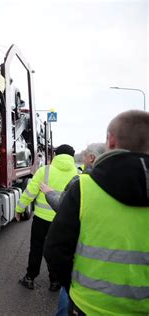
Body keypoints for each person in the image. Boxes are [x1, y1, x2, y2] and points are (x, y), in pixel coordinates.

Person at [44, 110, 149, 315]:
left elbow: (55, 250)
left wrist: (74, 289)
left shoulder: (84, 187)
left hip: (89, 306)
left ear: (110, 140)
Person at [40, 143, 106, 316]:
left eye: (84, 154)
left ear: (92, 158)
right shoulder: (130, 183)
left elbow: (55, 248)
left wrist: (48, 192)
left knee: (67, 304)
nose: (82, 157)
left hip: (84, 274)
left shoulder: (81, 182)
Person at [15, 144, 78, 291]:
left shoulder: (44, 171)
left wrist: (19, 209)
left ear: (56, 155)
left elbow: (30, 192)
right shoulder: (77, 173)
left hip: (41, 220)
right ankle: (55, 281)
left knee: (36, 248)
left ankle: (30, 277)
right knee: (57, 250)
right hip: (63, 221)